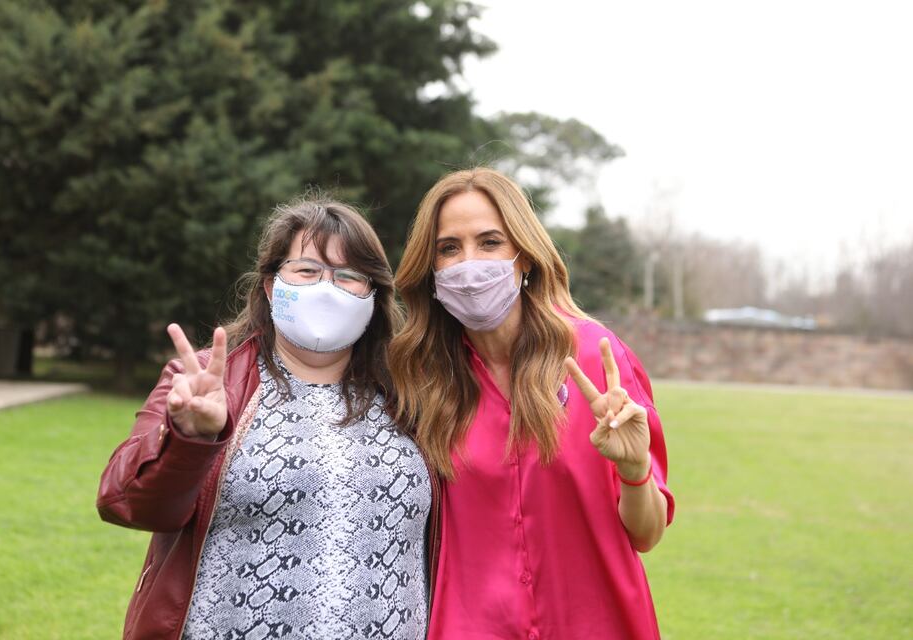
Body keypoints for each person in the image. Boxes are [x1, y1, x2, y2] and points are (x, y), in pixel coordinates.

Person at [97, 198, 437, 640]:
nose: (327, 288)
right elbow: (126, 502)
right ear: (271, 285)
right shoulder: (204, 383)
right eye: (307, 270)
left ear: (373, 296)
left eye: (349, 275)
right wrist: (190, 439)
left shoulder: (412, 393)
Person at [389, 168, 674, 640]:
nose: (468, 263)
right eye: (449, 248)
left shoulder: (595, 359)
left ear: (523, 256)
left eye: (490, 242)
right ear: (431, 269)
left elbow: (646, 533)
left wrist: (634, 467)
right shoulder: (422, 381)